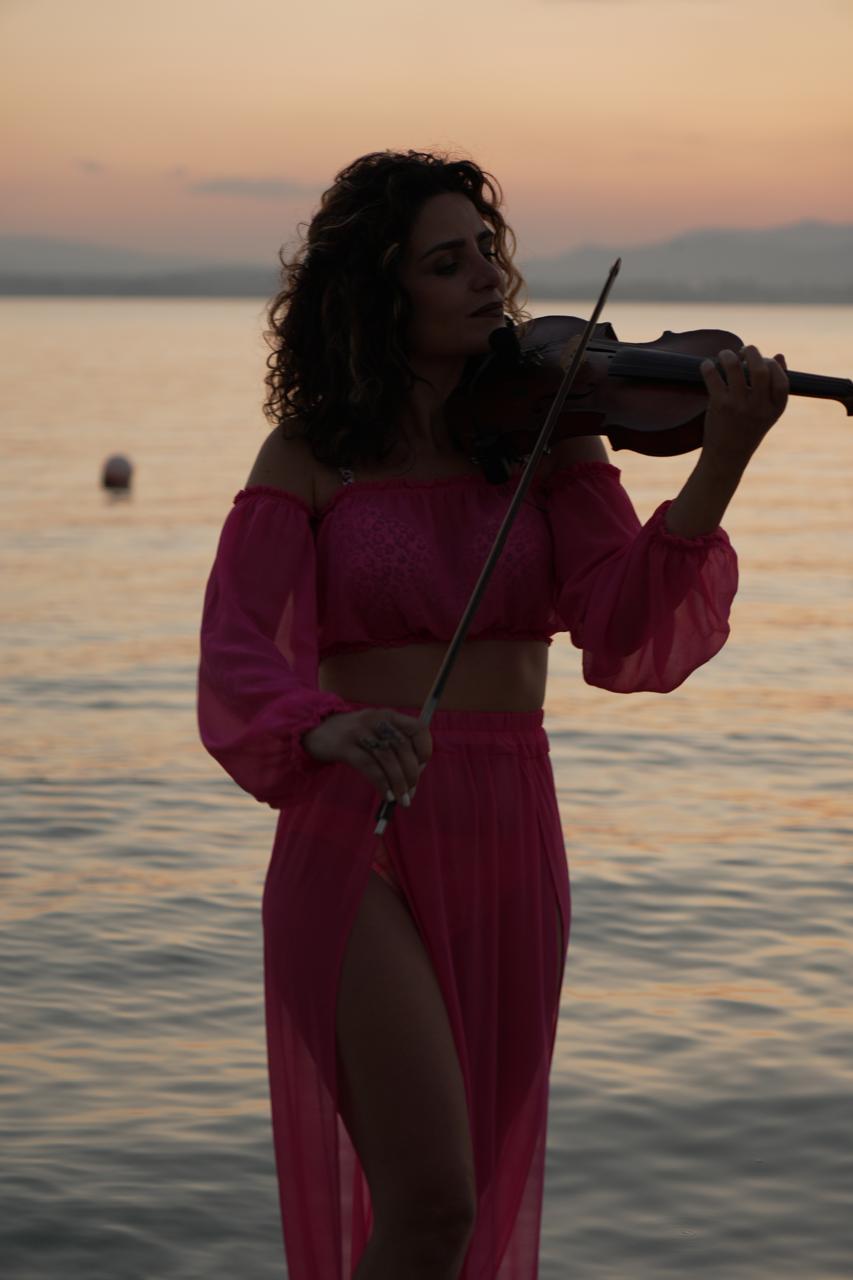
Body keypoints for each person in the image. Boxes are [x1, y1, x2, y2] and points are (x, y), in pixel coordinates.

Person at [196, 149, 789, 1280]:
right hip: (356, 819)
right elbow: (234, 651)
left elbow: (623, 630)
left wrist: (720, 465)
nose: (485, 277)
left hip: (510, 827)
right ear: (379, 295)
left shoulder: (550, 434)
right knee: (433, 1205)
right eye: (444, 262)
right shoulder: (311, 456)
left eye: (484, 251)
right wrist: (319, 724)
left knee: (464, 1219)